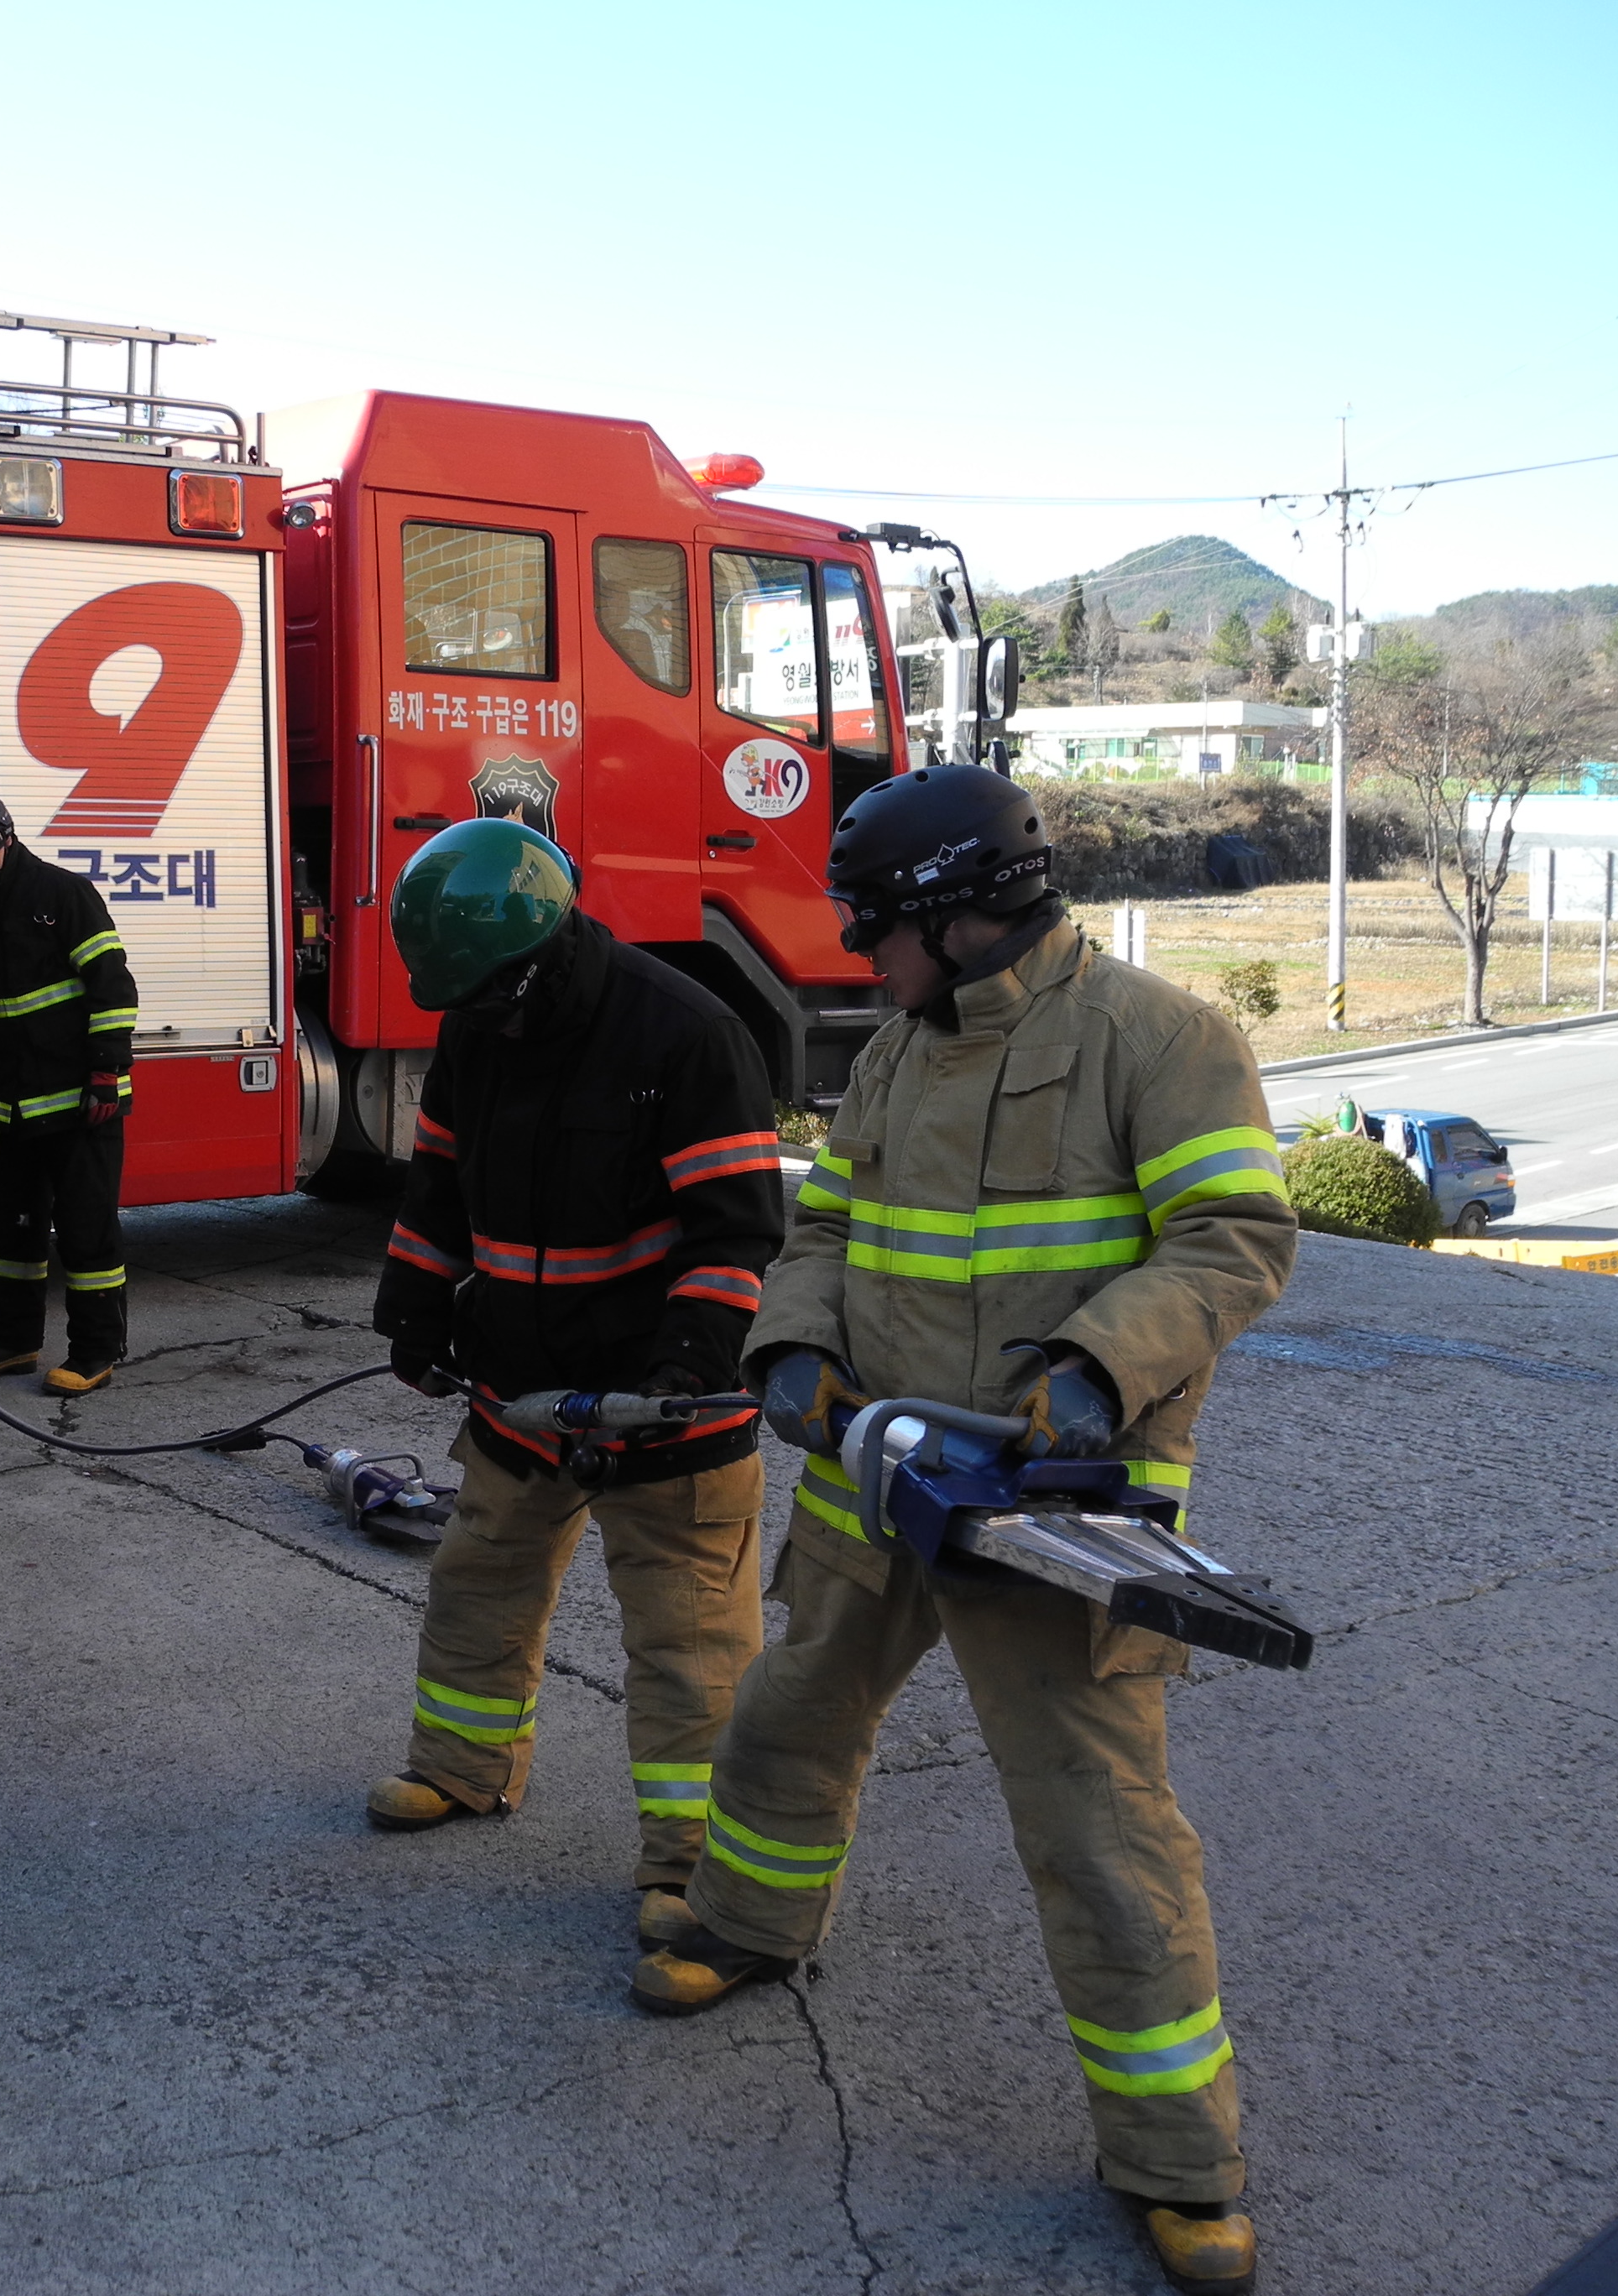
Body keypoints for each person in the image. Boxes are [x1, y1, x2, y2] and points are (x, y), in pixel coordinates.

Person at [630, 764, 1297, 2296]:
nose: (859, 955)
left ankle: (1179, 2164)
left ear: (952, 911)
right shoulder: (897, 1052)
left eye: (873, 926)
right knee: (789, 1719)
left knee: (1096, 1823)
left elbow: (1233, 1239)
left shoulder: (1158, 1038)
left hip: (1049, 1508)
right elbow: (825, 1223)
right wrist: (793, 1342)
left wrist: (1096, 1368)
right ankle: (744, 1928)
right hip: (873, 1478)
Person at [363, 819, 786, 1948]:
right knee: (478, 1586)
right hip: (519, 1386)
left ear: (545, 952)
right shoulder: (480, 1021)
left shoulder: (687, 1034)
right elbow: (438, 1185)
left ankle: (697, 1872)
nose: (483, 1021)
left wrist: (690, 1361)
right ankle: (462, 1769)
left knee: (690, 1646)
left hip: (662, 1398)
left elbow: (737, 1229)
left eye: (493, 998)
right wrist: (414, 1308)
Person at [0, 790, 139, 1396]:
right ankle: (10, 1342)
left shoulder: (62, 894)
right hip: (15, 1110)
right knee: (11, 1234)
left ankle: (95, 1353)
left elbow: (112, 987)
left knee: (86, 1234)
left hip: (80, 1105)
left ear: (8, 834)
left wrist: (106, 1072)